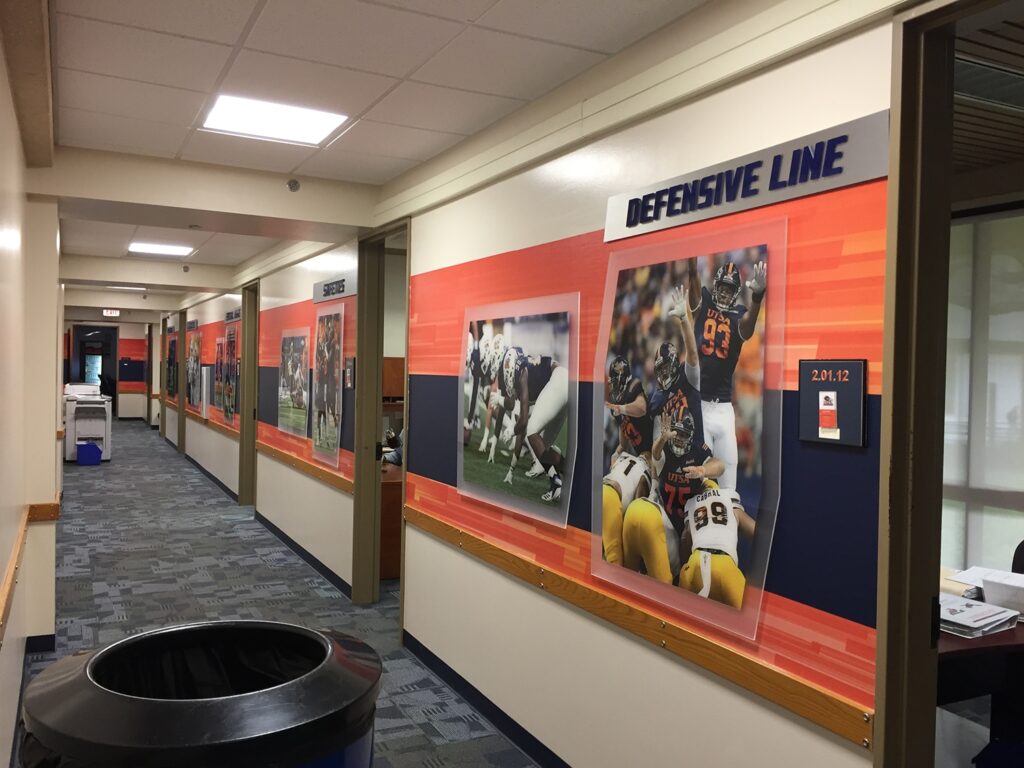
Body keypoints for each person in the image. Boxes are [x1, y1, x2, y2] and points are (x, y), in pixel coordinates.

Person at [687, 257, 766, 488]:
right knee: (700, 482)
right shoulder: (703, 303)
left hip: (723, 408)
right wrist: (691, 259)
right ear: (715, 286)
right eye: (721, 287)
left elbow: (749, 325)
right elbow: (693, 276)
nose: (723, 293)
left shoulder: (739, 316)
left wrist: (757, 298)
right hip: (699, 404)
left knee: (728, 485)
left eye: (729, 289)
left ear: (735, 291)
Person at [602, 355, 654, 566]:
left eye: (614, 379)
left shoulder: (633, 385)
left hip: (655, 446)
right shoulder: (616, 394)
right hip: (639, 449)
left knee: (650, 488)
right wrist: (622, 446)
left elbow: (641, 408)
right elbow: (624, 425)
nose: (611, 383)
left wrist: (621, 408)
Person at [498, 346, 567, 503]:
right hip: (564, 381)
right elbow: (522, 430)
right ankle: (569, 472)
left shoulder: (523, 375)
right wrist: (512, 469)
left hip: (559, 380)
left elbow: (522, 424)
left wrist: (510, 431)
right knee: (544, 451)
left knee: (532, 431)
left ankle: (556, 483)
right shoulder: (526, 371)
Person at [678, 485, 756, 608]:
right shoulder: (728, 499)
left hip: (696, 562)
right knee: (747, 619)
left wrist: (683, 566)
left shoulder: (692, 503)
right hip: (724, 565)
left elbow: (684, 538)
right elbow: (755, 532)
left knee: (680, 616)